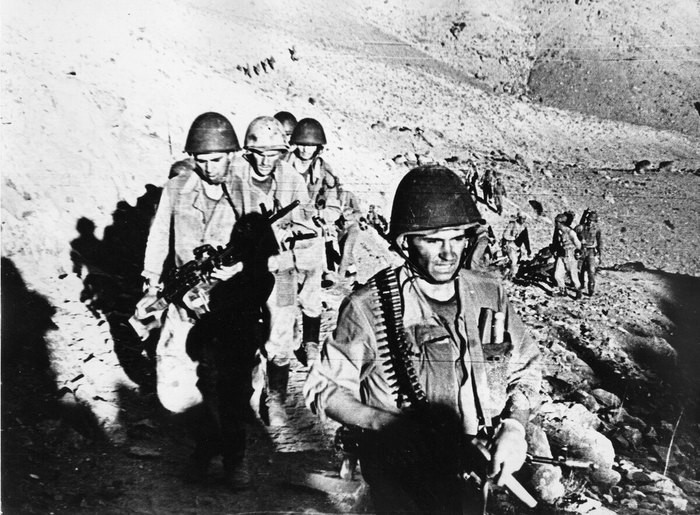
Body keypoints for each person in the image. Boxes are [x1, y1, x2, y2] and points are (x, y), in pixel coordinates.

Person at [304, 165, 541, 515]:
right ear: (405, 242)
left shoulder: (489, 294)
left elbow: (526, 370)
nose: (449, 253)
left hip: (471, 469)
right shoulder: (367, 306)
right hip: (399, 475)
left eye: (457, 238)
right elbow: (324, 389)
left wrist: (515, 427)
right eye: (433, 240)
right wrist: (385, 424)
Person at [140, 112, 245, 415]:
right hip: (184, 296)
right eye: (201, 160)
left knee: (232, 375)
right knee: (175, 393)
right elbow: (160, 235)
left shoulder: (245, 191)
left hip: (228, 297)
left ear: (231, 154)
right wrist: (151, 282)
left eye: (216, 160)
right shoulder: (176, 188)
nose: (209, 168)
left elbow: (265, 247)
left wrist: (240, 268)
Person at [228, 115, 317, 425]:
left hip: (281, 268)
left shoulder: (292, 179)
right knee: (241, 331)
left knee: (281, 332)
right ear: (248, 152)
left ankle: (276, 395)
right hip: (241, 269)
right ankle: (247, 386)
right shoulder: (233, 176)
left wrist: (288, 232)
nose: (266, 161)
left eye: (273, 154)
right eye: (259, 154)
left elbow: (308, 227)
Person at [184, 212, 277, 489]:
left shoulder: (261, 278)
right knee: (211, 402)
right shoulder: (225, 272)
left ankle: (234, 462)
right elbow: (195, 300)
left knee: (233, 404)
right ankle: (204, 456)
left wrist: (232, 276)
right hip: (212, 342)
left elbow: (258, 290)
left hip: (239, 345)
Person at [284, 117, 341, 361]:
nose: (306, 149)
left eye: (311, 145)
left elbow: (335, 207)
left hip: (310, 240)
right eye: (302, 144)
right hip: (284, 239)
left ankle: (310, 343)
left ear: (319, 147)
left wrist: (319, 216)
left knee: (310, 294)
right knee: (283, 294)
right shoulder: (281, 166)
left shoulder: (324, 172)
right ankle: (288, 337)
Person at [552, 213, 582, 299]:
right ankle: (563, 291)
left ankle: (578, 292)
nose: (555, 224)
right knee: (557, 275)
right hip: (561, 256)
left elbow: (578, 245)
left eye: (557, 222)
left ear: (560, 223)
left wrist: (577, 253)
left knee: (573, 276)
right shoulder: (560, 232)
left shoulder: (570, 232)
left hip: (571, 256)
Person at [576, 210, 603, 296]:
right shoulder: (581, 227)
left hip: (591, 250)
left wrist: (600, 254)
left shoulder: (597, 229)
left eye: (592, 221)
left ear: (595, 221)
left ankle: (591, 289)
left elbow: (600, 242)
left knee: (591, 271)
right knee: (579, 270)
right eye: (589, 220)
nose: (590, 222)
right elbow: (573, 235)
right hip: (581, 250)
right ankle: (580, 288)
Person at [501, 212, 531, 280]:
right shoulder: (512, 224)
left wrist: (528, 250)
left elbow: (526, 240)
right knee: (514, 260)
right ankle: (511, 276)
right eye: (522, 218)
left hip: (517, 247)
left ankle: (506, 273)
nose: (523, 220)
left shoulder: (523, 227)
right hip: (509, 245)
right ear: (519, 218)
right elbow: (505, 235)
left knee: (515, 261)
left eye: (524, 219)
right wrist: (514, 238)